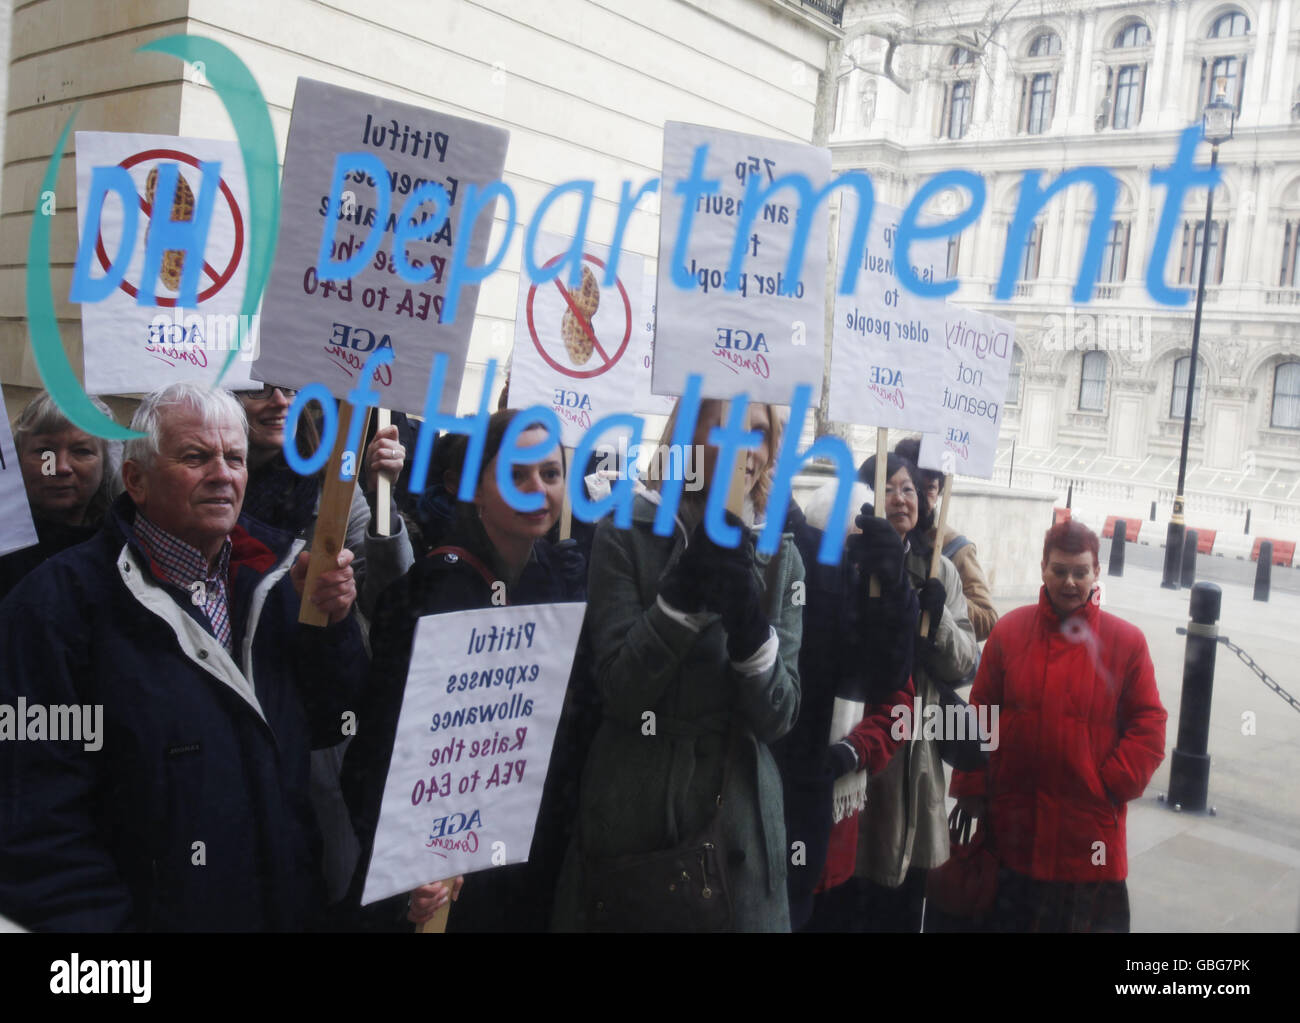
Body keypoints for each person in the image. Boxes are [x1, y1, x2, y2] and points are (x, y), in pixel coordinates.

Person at [0, 383, 367, 931]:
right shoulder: (55, 608)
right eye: (196, 457)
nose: (223, 473)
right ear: (136, 480)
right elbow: (36, 816)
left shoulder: (281, 580)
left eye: (235, 458)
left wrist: (330, 630)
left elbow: (330, 723)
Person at [552, 398, 803, 932]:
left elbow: (780, 715)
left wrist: (748, 627)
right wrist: (680, 601)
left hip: (737, 824)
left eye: (759, 433)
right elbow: (620, 689)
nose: (746, 449)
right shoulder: (624, 534)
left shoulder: (782, 557)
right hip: (637, 815)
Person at [341, 410, 591, 932]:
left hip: (533, 865)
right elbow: (379, 749)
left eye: (550, 473)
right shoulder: (430, 592)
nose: (536, 490)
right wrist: (410, 861)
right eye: (515, 474)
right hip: (441, 876)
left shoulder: (563, 587)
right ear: (475, 488)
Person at [951, 521, 1167, 932]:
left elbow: (1149, 723)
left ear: (1096, 572)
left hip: (1087, 836)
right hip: (1013, 825)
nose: (1069, 582)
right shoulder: (1010, 631)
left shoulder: (1127, 642)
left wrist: (1110, 784)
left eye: (1080, 572)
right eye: (1060, 570)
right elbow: (980, 712)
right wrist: (970, 787)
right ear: (1043, 569)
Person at [777, 480, 917, 931]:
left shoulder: (870, 604)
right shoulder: (791, 593)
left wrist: (853, 751)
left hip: (840, 824)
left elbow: (897, 703)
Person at [853, 453, 978, 931]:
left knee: (904, 901)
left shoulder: (939, 570)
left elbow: (965, 660)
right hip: (863, 748)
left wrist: (939, 620)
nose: (900, 499)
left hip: (917, 760)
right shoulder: (848, 558)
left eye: (908, 490)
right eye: (888, 488)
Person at [235, 382, 413, 620]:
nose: (280, 401)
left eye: (287, 388)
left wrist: (381, 495)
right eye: (257, 390)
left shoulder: (334, 487)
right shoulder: (206, 491)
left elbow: (389, 597)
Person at [0, 391, 120, 600]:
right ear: (17, 457)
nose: (60, 467)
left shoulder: (125, 552)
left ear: (106, 464)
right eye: (44, 451)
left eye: (81, 451)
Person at [891, 436, 998, 642]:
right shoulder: (873, 536)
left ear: (940, 490)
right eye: (912, 487)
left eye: (930, 488)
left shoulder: (955, 547)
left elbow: (988, 619)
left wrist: (946, 599)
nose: (920, 499)